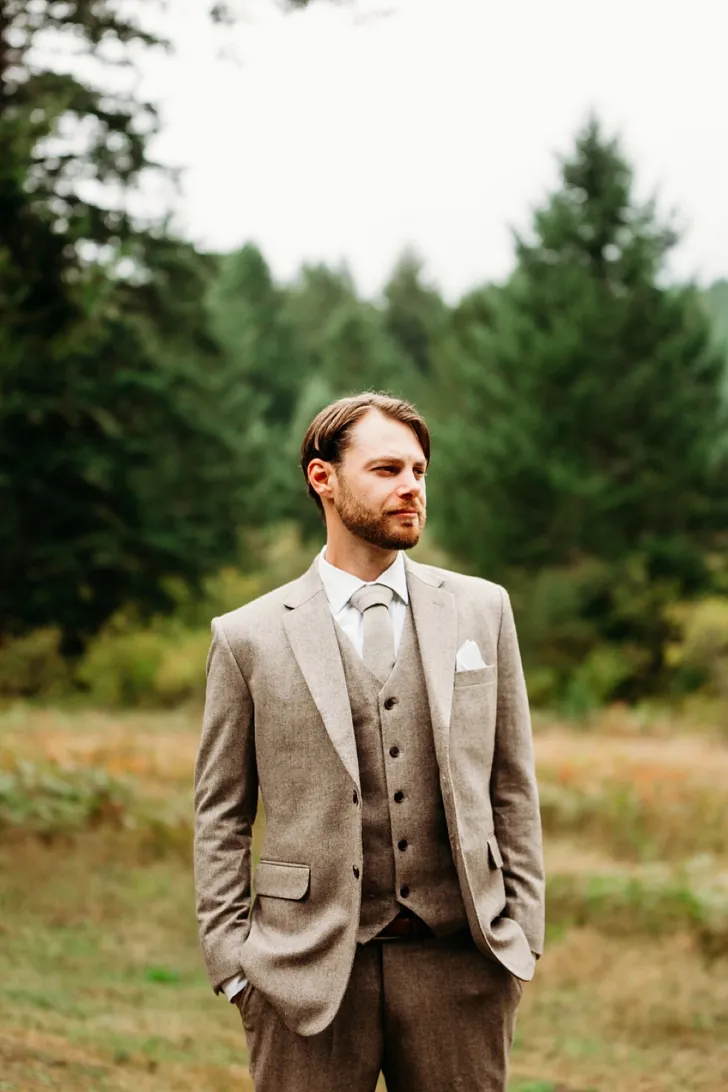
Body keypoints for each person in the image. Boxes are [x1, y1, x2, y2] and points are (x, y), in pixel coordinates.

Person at [194, 391, 545, 1092]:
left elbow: (512, 786)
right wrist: (235, 965)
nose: (411, 487)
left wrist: (521, 938)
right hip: (304, 976)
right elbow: (221, 814)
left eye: (419, 470)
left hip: (461, 968)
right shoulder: (248, 637)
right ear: (322, 478)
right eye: (386, 470)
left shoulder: (484, 609)